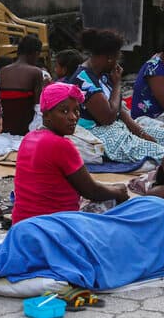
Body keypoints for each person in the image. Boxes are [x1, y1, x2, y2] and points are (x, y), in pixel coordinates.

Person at [12, 83, 128, 225]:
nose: (73, 117)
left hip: (21, 225)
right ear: (47, 115)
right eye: (64, 111)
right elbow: (92, 191)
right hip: (54, 227)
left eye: (76, 110)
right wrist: (119, 192)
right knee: (118, 205)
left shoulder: (29, 138)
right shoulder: (60, 145)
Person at [0, 36, 48, 135]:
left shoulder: (2, 71)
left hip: (7, 129)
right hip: (26, 129)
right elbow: (38, 105)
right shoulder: (36, 72)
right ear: (36, 53)